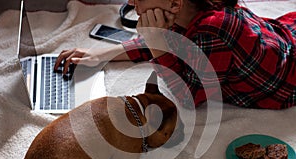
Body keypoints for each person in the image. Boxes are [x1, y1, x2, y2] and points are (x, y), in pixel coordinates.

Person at [54, 0, 296, 109]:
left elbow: (189, 97)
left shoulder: (213, 34)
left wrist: (157, 43)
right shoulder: (189, 11)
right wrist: (100, 55)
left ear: (175, 4)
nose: (131, 2)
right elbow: (170, 41)